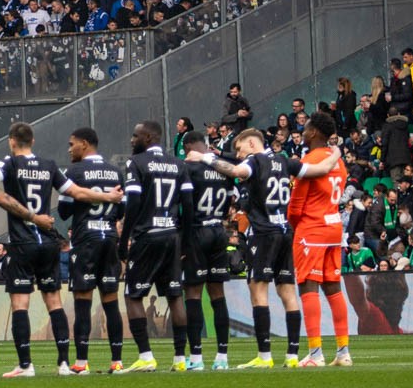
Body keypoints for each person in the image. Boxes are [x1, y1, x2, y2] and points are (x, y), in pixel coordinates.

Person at [0, 123, 119, 378]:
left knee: (20, 303)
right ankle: (63, 364)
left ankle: (26, 365)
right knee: (54, 302)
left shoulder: (11, 163)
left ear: (11, 141)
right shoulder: (49, 165)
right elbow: (78, 193)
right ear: (33, 141)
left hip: (23, 241)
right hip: (49, 243)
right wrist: (108, 198)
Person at [196, 127, 300, 368]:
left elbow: (235, 170)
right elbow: (316, 169)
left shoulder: (254, 161)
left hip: (264, 233)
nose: (240, 154)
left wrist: (208, 158)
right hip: (285, 230)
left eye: (241, 149)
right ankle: (293, 355)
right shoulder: (284, 160)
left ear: (252, 144)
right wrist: (334, 155)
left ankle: (264, 356)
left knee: (258, 289)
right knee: (288, 293)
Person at [117, 121, 192, 373]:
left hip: (147, 235)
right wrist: (185, 238)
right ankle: (180, 358)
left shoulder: (135, 163)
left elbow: (134, 200)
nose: (131, 140)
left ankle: (146, 356)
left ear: (148, 137)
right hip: (172, 234)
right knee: (174, 295)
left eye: (135, 135)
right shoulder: (178, 164)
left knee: (132, 294)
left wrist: (124, 238)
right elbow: (188, 205)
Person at [65, 127, 129, 374]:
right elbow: (121, 211)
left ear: (84, 143)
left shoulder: (75, 171)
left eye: (72, 144)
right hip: (109, 239)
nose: (70, 149)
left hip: (86, 240)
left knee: (83, 301)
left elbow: (63, 210)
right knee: (110, 301)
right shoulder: (115, 172)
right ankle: (117, 361)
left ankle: (82, 363)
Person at [291, 112, 352, 367]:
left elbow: (296, 206)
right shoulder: (337, 161)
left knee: (308, 287)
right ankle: (343, 351)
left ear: (314, 132)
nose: (303, 132)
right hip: (334, 227)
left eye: (306, 128)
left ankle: (315, 354)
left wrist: (296, 228)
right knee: (334, 288)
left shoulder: (310, 160)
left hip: (312, 230)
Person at [177, 129, 235, 370]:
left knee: (192, 294)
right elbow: (230, 203)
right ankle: (222, 356)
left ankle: (197, 357)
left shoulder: (189, 169)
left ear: (190, 146)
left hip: (197, 231)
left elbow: (186, 206)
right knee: (217, 294)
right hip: (219, 231)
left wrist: (184, 239)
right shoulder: (224, 169)